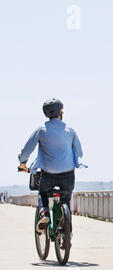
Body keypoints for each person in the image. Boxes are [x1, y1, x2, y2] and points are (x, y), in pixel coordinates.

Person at [18, 98, 85, 232]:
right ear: (60, 112)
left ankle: (44, 213)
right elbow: (79, 152)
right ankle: (67, 233)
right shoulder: (70, 130)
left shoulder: (41, 130)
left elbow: (27, 150)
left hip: (48, 174)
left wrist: (23, 163)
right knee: (66, 200)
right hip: (68, 174)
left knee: (42, 193)